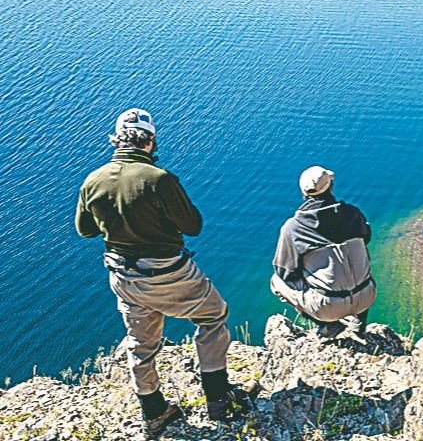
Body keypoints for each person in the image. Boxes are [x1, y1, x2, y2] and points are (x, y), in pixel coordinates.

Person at [75, 108, 259, 438]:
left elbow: (85, 230)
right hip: (169, 274)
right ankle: (218, 397)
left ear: (116, 140)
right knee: (213, 316)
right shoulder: (159, 179)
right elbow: (194, 225)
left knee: (140, 344)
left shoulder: (93, 180)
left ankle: (154, 412)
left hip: (124, 277)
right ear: (151, 140)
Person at [270, 165, 376, 340]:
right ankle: (360, 325)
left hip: (327, 307)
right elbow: (366, 239)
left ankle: (328, 325)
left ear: (304, 194)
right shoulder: (353, 213)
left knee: (276, 282)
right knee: (359, 259)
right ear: (331, 187)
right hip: (367, 294)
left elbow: (285, 272)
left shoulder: (294, 228)